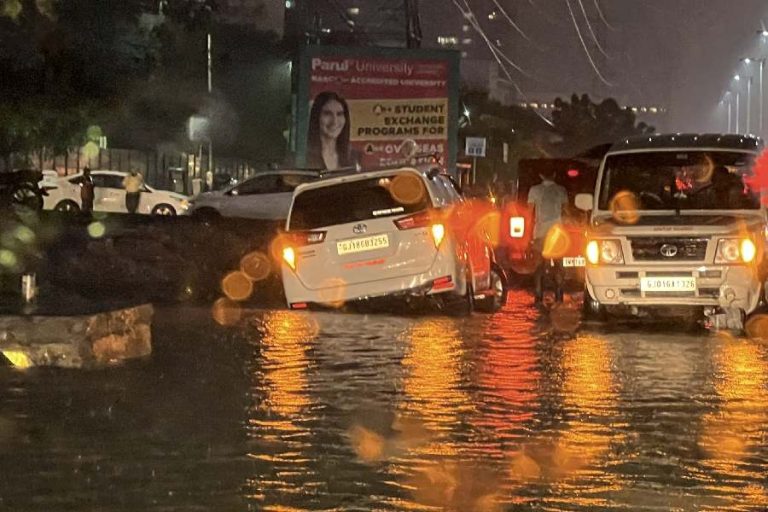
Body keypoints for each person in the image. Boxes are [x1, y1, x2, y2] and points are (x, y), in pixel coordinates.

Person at [527, 168, 569, 304]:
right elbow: (566, 211)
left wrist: (528, 235)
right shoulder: (561, 190)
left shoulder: (534, 190)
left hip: (539, 233)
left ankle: (538, 296)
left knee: (539, 266)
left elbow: (529, 213)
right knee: (559, 266)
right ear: (554, 174)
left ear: (541, 175)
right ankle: (559, 296)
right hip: (557, 235)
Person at [306, 91, 354, 170]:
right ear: (316, 117)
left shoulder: (353, 157)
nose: (334, 122)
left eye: (339, 114)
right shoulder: (302, 156)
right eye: (327, 114)